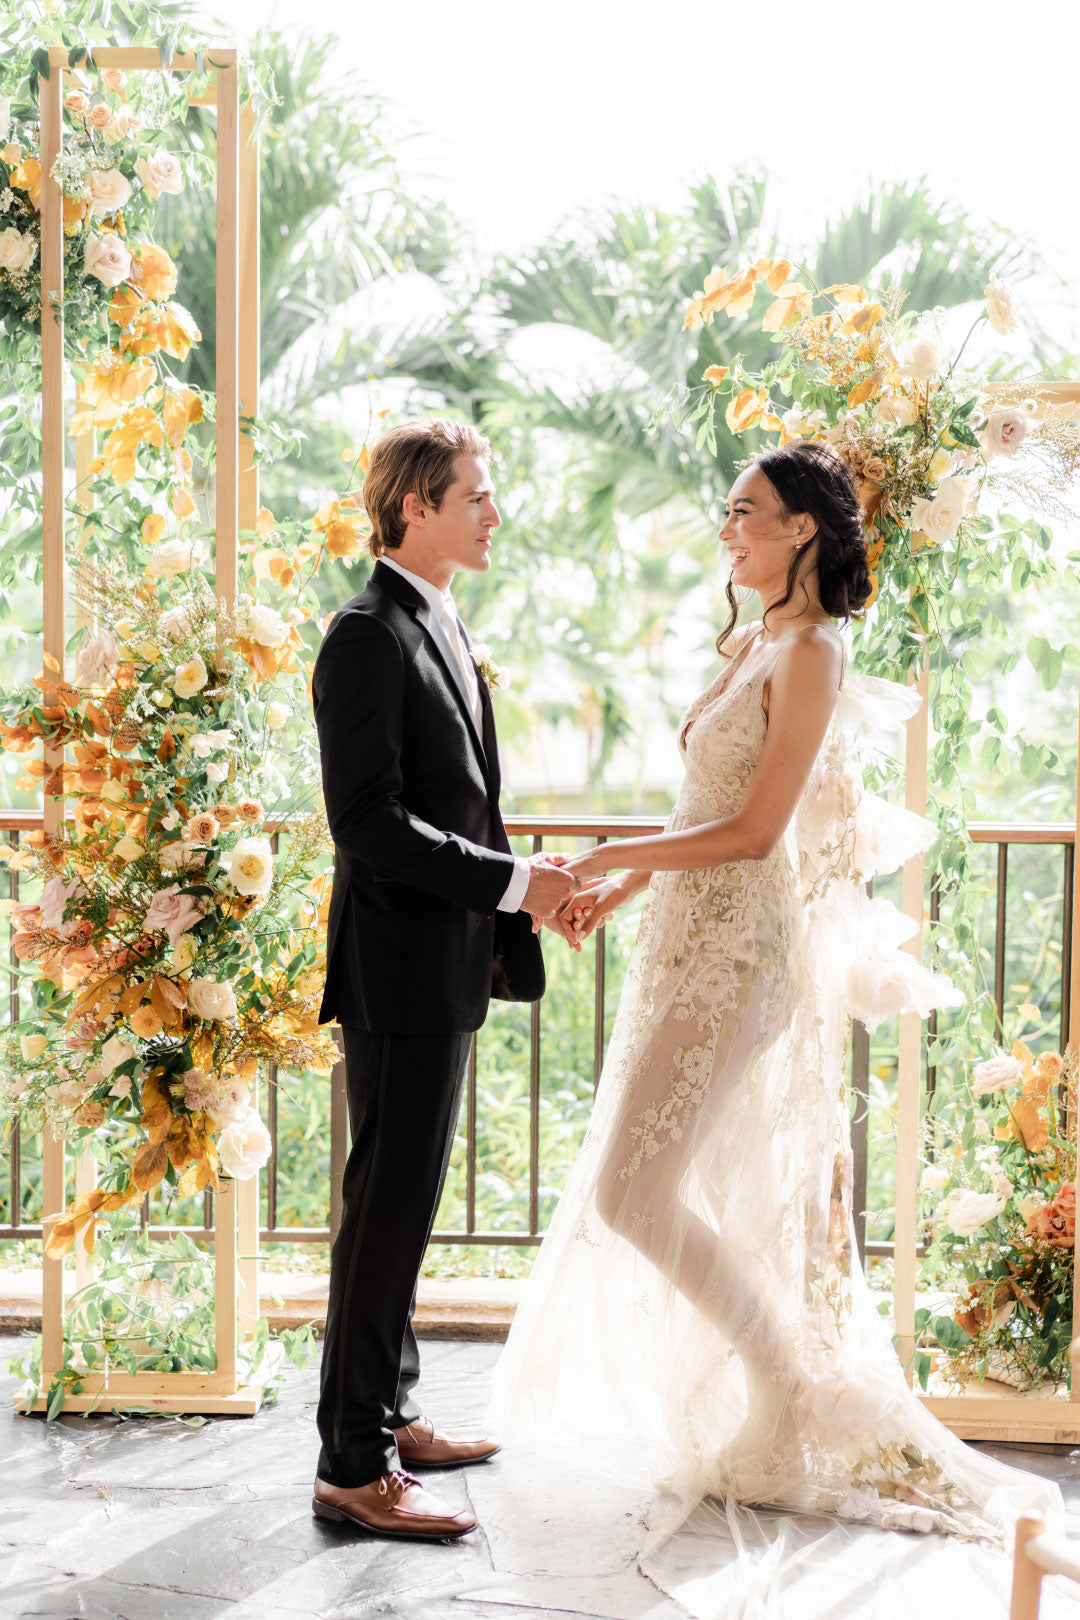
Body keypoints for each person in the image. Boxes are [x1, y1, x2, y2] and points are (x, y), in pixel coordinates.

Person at [485, 440, 1066, 1612]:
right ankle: (785, 1378)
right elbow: (700, 807)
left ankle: (788, 1384)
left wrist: (606, 853)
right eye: (728, 513)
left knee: (629, 1193)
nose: (728, 530)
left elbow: (757, 831)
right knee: (642, 1186)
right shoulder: (749, 639)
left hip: (745, 951)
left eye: (748, 513)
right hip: (683, 939)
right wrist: (626, 887)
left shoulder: (811, 651)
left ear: (805, 529)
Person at [310, 419, 577, 1541]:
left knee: (403, 1209)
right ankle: (350, 1462)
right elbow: (368, 823)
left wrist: (515, 888)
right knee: (385, 1213)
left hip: (442, 966)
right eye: (477, 495)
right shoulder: (367, 633)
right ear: (415, 505)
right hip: (399, 972)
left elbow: (455, 793)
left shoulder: (438, 618)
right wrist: (516, 885)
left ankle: (394, 1408)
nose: (493, 513)